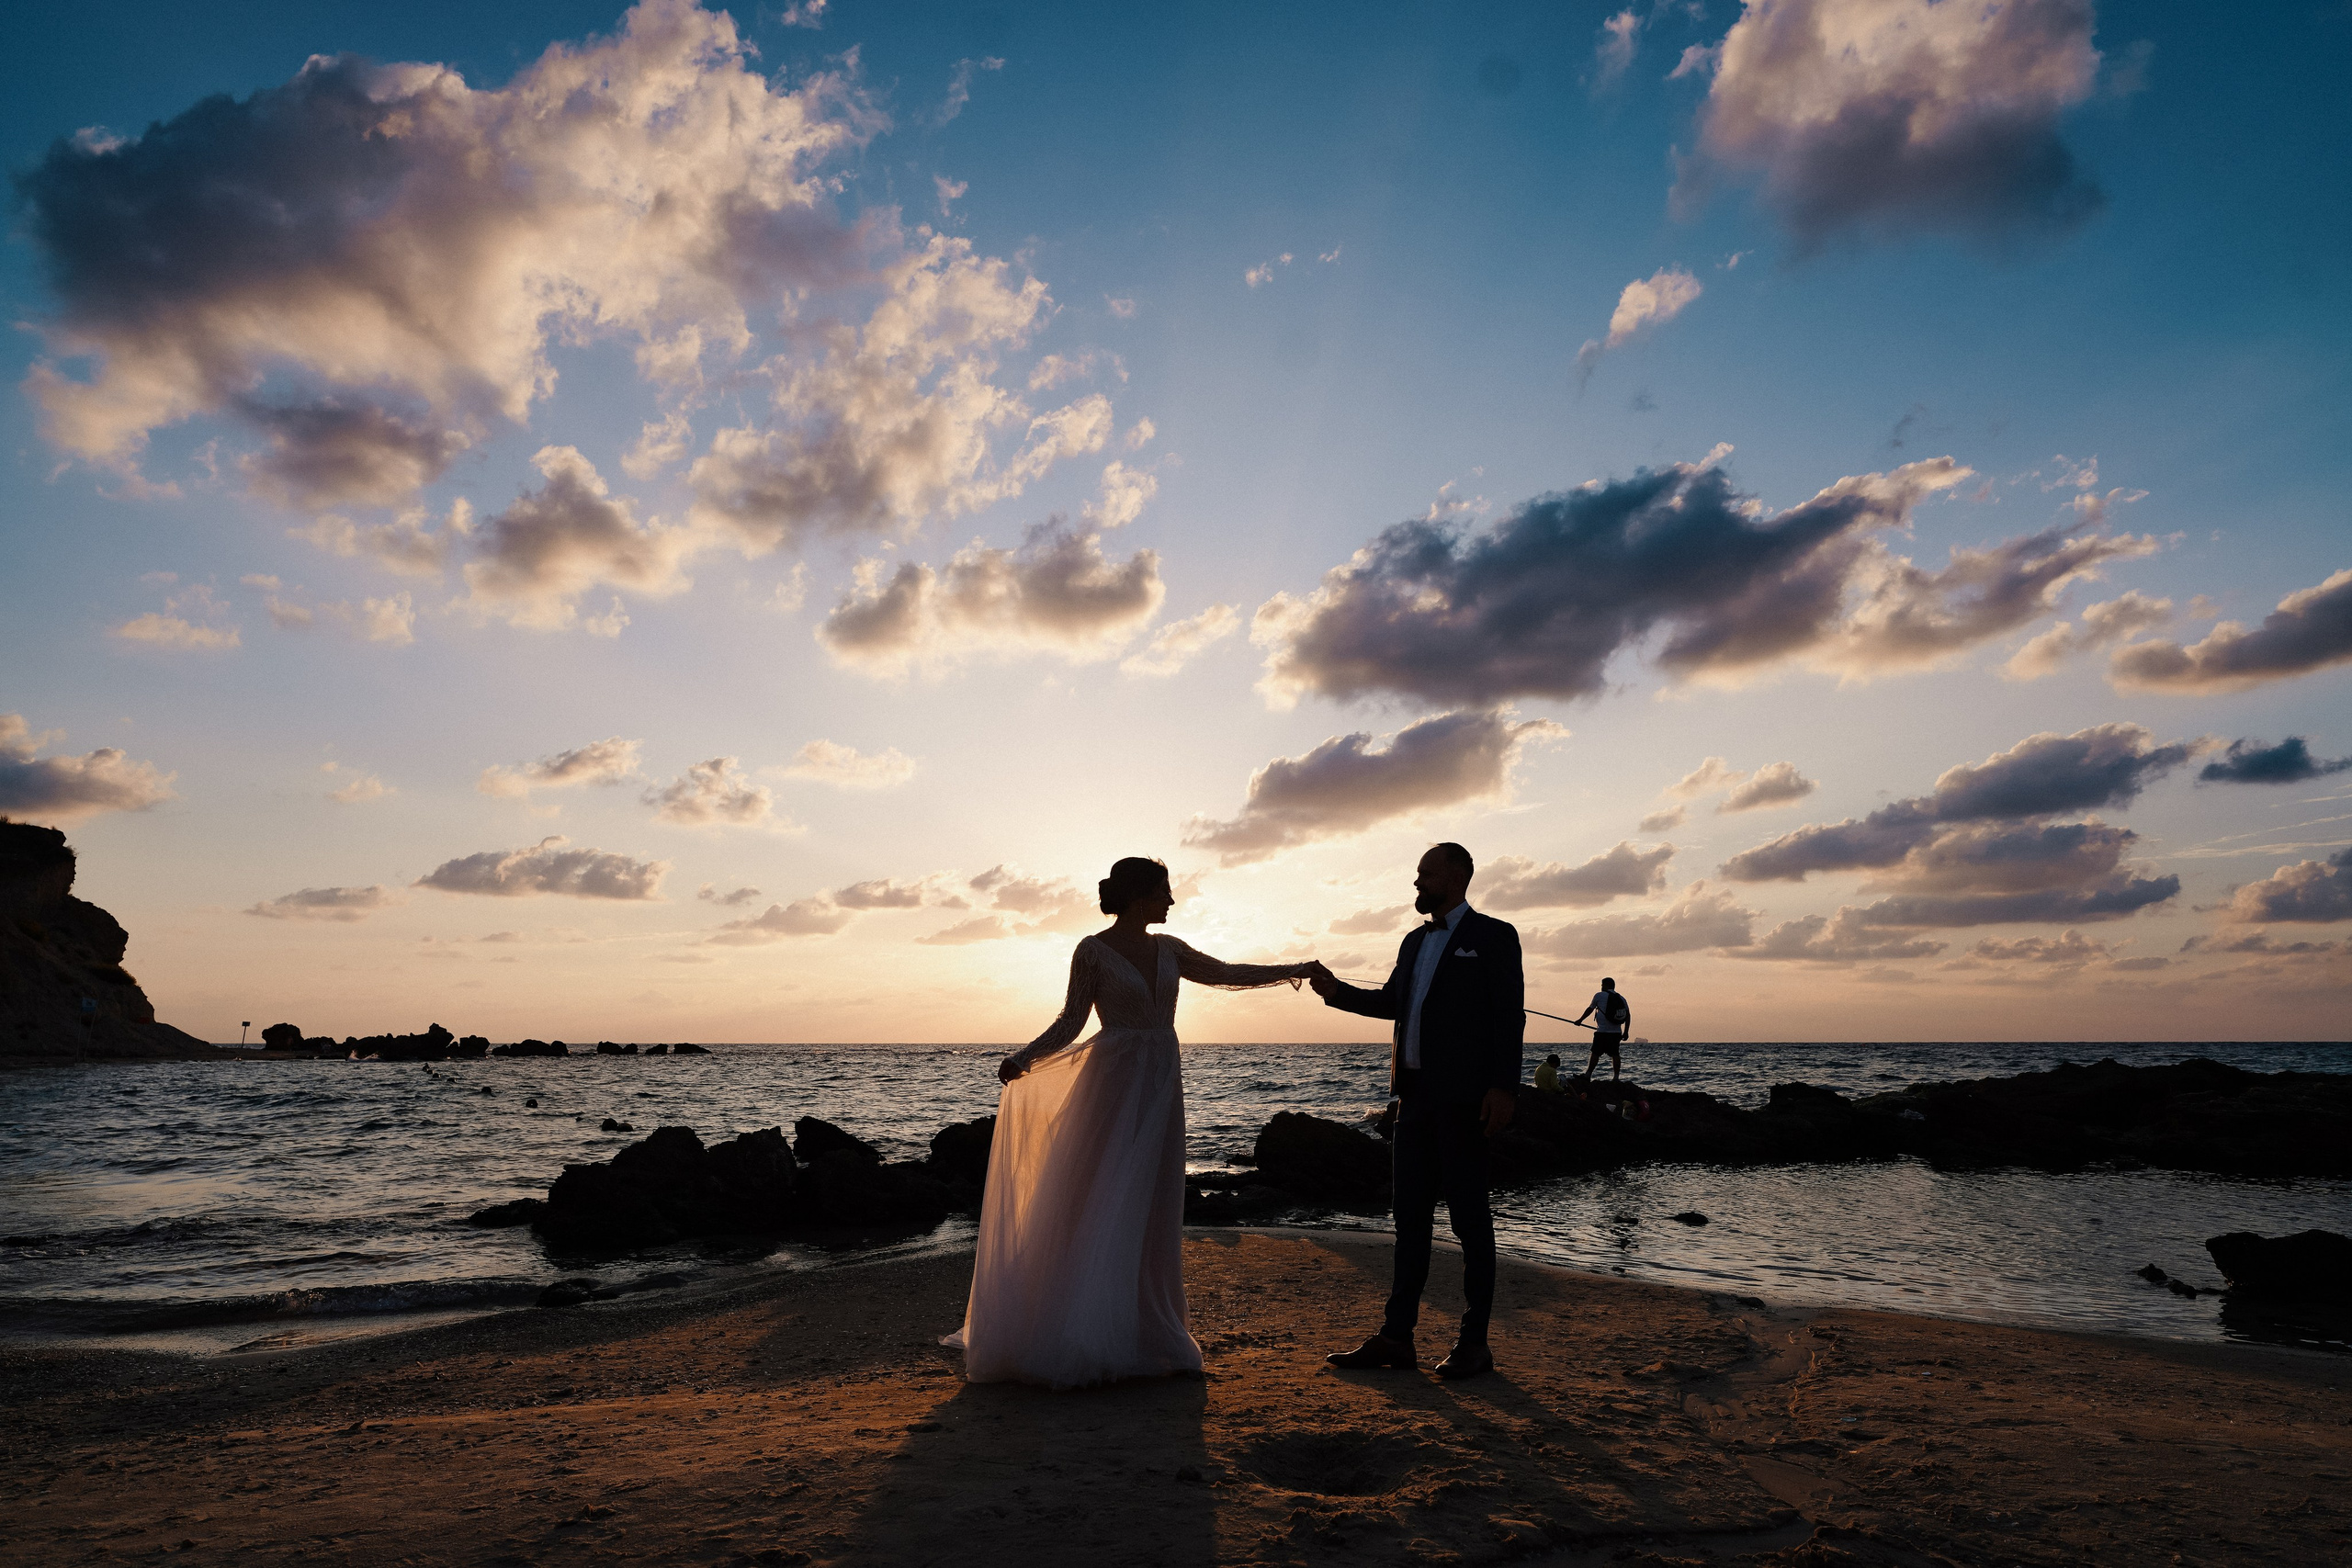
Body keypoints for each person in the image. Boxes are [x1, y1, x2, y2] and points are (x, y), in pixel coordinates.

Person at [944, 856, 1320, 1388]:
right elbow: (1071, 1020)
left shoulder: (1170, 949)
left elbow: (1226, 973)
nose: (1172, 900)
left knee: (1151, 1201)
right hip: (1111, 1082)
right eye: (1165, 890)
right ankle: (1083, 1328)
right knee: (1097, 1192)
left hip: (1160, 1083)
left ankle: (1145, 1330)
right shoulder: (1092, 950)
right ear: (1140, 895)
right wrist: (1025, 1056)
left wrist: (1296, 970)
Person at [1309, 842, 1523, 1381]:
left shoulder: (1494, 935)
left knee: (1470, 1221)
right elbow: (1391, 1004)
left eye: (1425, 874)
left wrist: (1503, 1088)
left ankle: (1474, 1344)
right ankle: (1396, 1338)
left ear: (1457, 876)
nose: (1416, 883)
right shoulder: (1412, 941)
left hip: (1465, 1101)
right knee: (1409, 1220)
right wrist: (1335, 992)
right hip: (1413, 1099)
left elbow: (1509, 1017)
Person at [1574, 976, 1630, 1083]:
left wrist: (1580, 1020)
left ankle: (1588, 1075)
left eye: (1602, 985)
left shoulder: (1599, 995)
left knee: (1595, 1053)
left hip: (1602, 1032)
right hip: (1616, 1033)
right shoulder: (1622, 998)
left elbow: (1590, 1009)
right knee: (1615, 1054)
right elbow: (1628, 1016)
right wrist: (1626, 1032)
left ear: (1605, 985)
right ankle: (1616, 1078)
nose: (1601, 987)